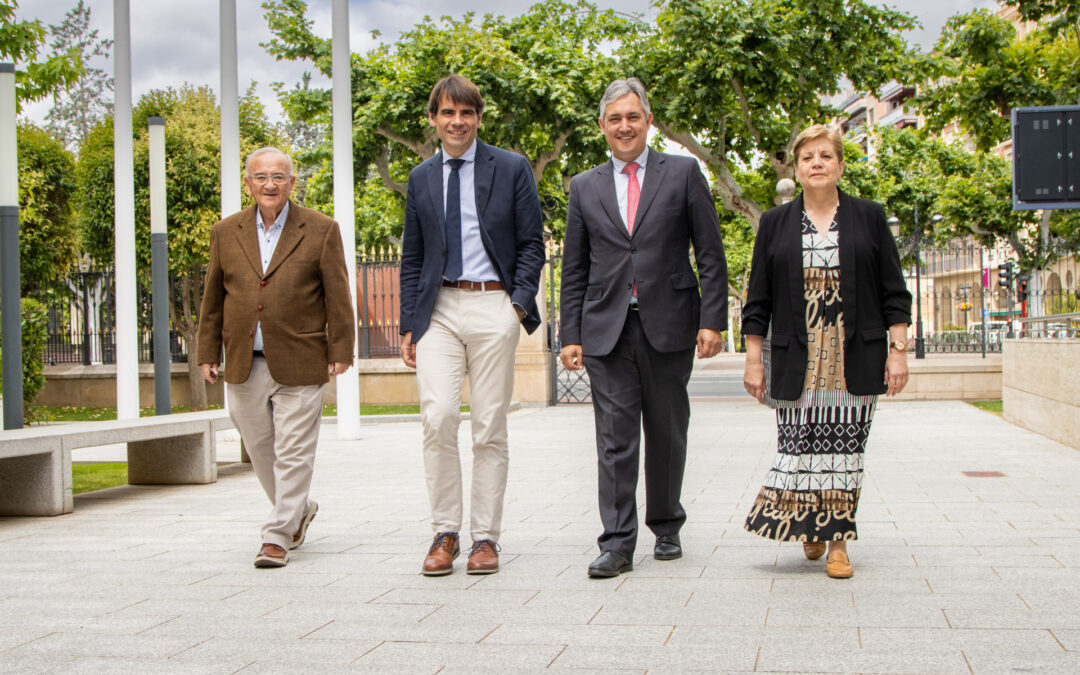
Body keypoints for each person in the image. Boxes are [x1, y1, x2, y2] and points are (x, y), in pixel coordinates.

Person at [559, 78, 729, 578]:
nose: (624, 126)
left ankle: (667, 524)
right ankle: (616, 543)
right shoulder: (584, 186)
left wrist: (713, 320)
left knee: (667, 429)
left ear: (648, 121)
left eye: (633, 116)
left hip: (670, 322)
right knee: (614, 438)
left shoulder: (683, 173)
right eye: (615, 119)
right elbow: (575, 266)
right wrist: (571, 333)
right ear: (602, 126)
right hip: (606, 328)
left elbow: (710, 252)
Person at [741, 124, 911, 579]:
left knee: (845, 450)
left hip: (852, 355)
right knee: (797, 447)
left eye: (825, 156)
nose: (816, 163)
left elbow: (894, 291)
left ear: (839, 165)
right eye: (807, 157)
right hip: (796, 356)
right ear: (796, 170)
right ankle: (809, 522)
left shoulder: (869, 217)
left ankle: (838, 542)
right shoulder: (775, 223)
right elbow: (758, 300)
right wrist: (753, 360)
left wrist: (898, 350)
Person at [399, 74, 545, 576]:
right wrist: (409, 322)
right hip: (438, 309)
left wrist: (517, 306)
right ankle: (445, 532)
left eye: (466, 113)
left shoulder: (511, 167)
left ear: (479, 118)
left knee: (488, 426)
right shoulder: (420, 177)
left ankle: (485, 538)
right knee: (438, 417)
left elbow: (532, 243)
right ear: (433, 119)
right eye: (447, 112)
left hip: (493, 305)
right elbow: (412, 256)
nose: (457, 121)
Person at [197, 147, 355, 568]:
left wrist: (341, 349)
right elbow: (213, 298)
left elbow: (338, 293)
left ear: (292, 182)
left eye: (279, 177)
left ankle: (276, 537)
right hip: (243, 360)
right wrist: (207, 351)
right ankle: (299, 510)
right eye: (261, 177)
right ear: (248, 183)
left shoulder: (321, 229)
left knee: (294, 452)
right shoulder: (224, 232)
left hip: (302, 357)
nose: (270, 184)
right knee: (259, 446)